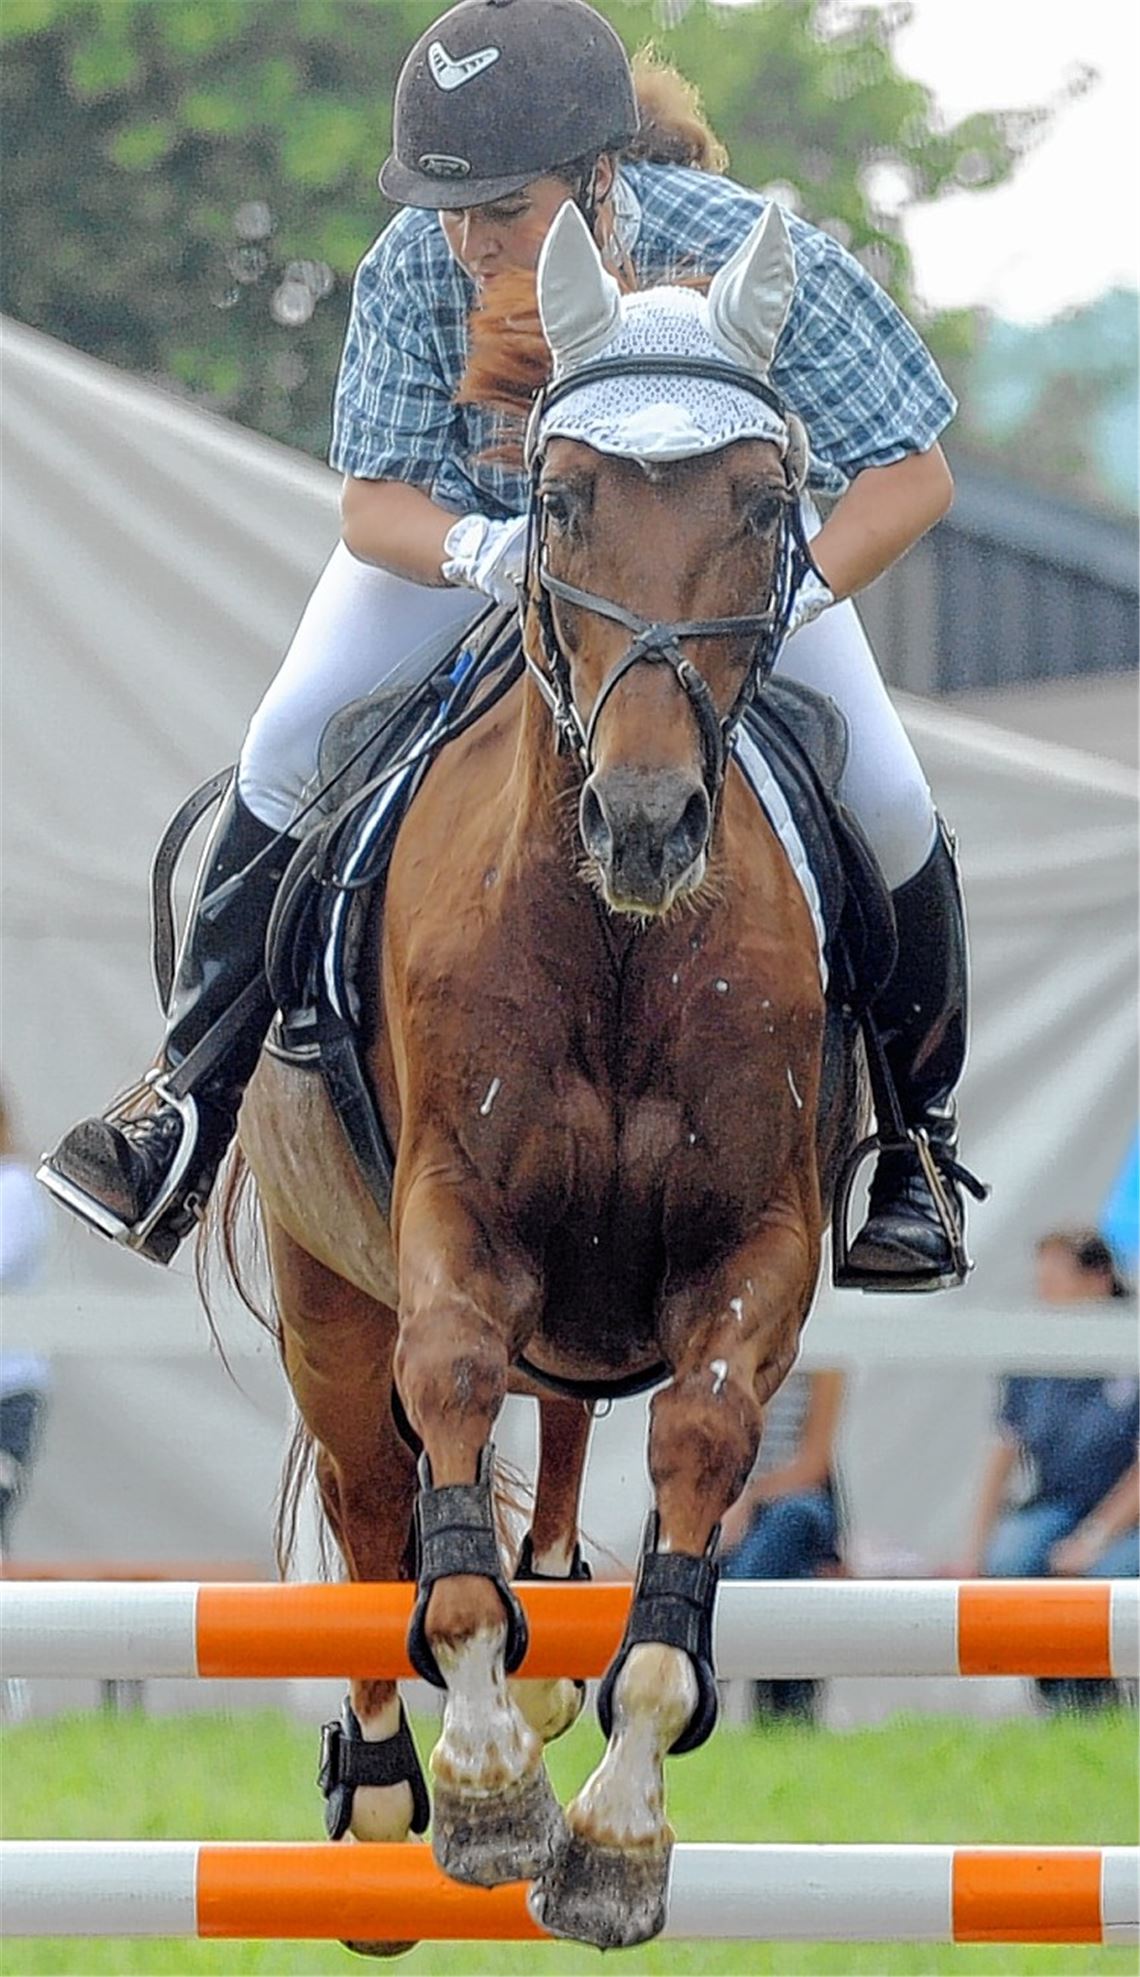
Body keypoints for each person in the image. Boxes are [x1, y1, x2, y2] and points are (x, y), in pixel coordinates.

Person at [41, 0, 973, 1289]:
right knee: (287, 741)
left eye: (501, 208)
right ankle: (183, 1107)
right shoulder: (415, 266)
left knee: (887, 790)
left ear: (600, 179)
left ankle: (919, 1149)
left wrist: (792, 594)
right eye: (448, 206)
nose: (469, 242)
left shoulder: (749, 250)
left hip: (708, 577)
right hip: (476, 534)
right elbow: (373, 506)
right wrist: (484, 557)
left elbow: (912, 478)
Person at [963, 1229, 1137, 1712]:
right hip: (1056, 1503)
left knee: (1106, 1577)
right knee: (1012, 1562)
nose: (1043, 1289)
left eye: (1056, 1277)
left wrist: (1096, 1536)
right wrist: (974, 1553)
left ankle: (1100, 1699)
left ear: (1098, 1279)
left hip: (1124, 1517)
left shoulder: (1130, 1348)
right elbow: (1003, 1447)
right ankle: (1056, 1697)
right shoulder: (1034, 1350)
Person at [718, 1367, 845, 1724]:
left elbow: (813, 1464)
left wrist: (751, 1498)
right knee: (796, 1575)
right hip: (749, 1516)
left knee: (792, 1519)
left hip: (792, 1503)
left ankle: (724, 1640)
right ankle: (787, 1714)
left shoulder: (824, 1366)